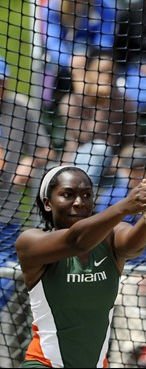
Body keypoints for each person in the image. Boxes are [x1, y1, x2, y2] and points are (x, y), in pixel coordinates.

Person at [15, 165, 146, 368]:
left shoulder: (110, 235)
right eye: (68, 195)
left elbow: (133, 247)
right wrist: (124, 206)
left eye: (86, 195)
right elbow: (76, 241)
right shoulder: (31, 241)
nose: (79, 202)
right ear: (48, 203)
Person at [95, 145, 146, 367]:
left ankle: (138, 350)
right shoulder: (110, 198)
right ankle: (145, 349)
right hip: (117, 272)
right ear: (122, 170)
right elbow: (102, 244)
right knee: (125, 290)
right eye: (132, 169)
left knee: (126, 294)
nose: (137, 174)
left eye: (142, 168)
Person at [0, 55, 53, 367]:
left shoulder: (20, 107)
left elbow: (45, 150)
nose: (1, 87)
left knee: (6, 284)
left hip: (7, 218)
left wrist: (28, 162)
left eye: (3, 81)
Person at [59, 50, 138, 186]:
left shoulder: (125, 102)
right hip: (79, 161)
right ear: (88, 72)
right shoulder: (73, 101)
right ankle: (79, 197)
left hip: (114, 164)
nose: (106, 77)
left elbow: (130, 141)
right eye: (101, 72)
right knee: (100, 148)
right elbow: (87, 137)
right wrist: (102, 104)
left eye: (110, 73)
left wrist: (122, 159)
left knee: (131, 175)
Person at [36, 0, 117, 109]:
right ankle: (83, 105)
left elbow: (105, 40)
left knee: (103, 66)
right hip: (65, 59)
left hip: (94, 56)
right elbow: (53, 43)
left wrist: (92, 60)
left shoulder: (105, 5)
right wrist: (69, 60)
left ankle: (95, 104)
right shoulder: (52, 7)